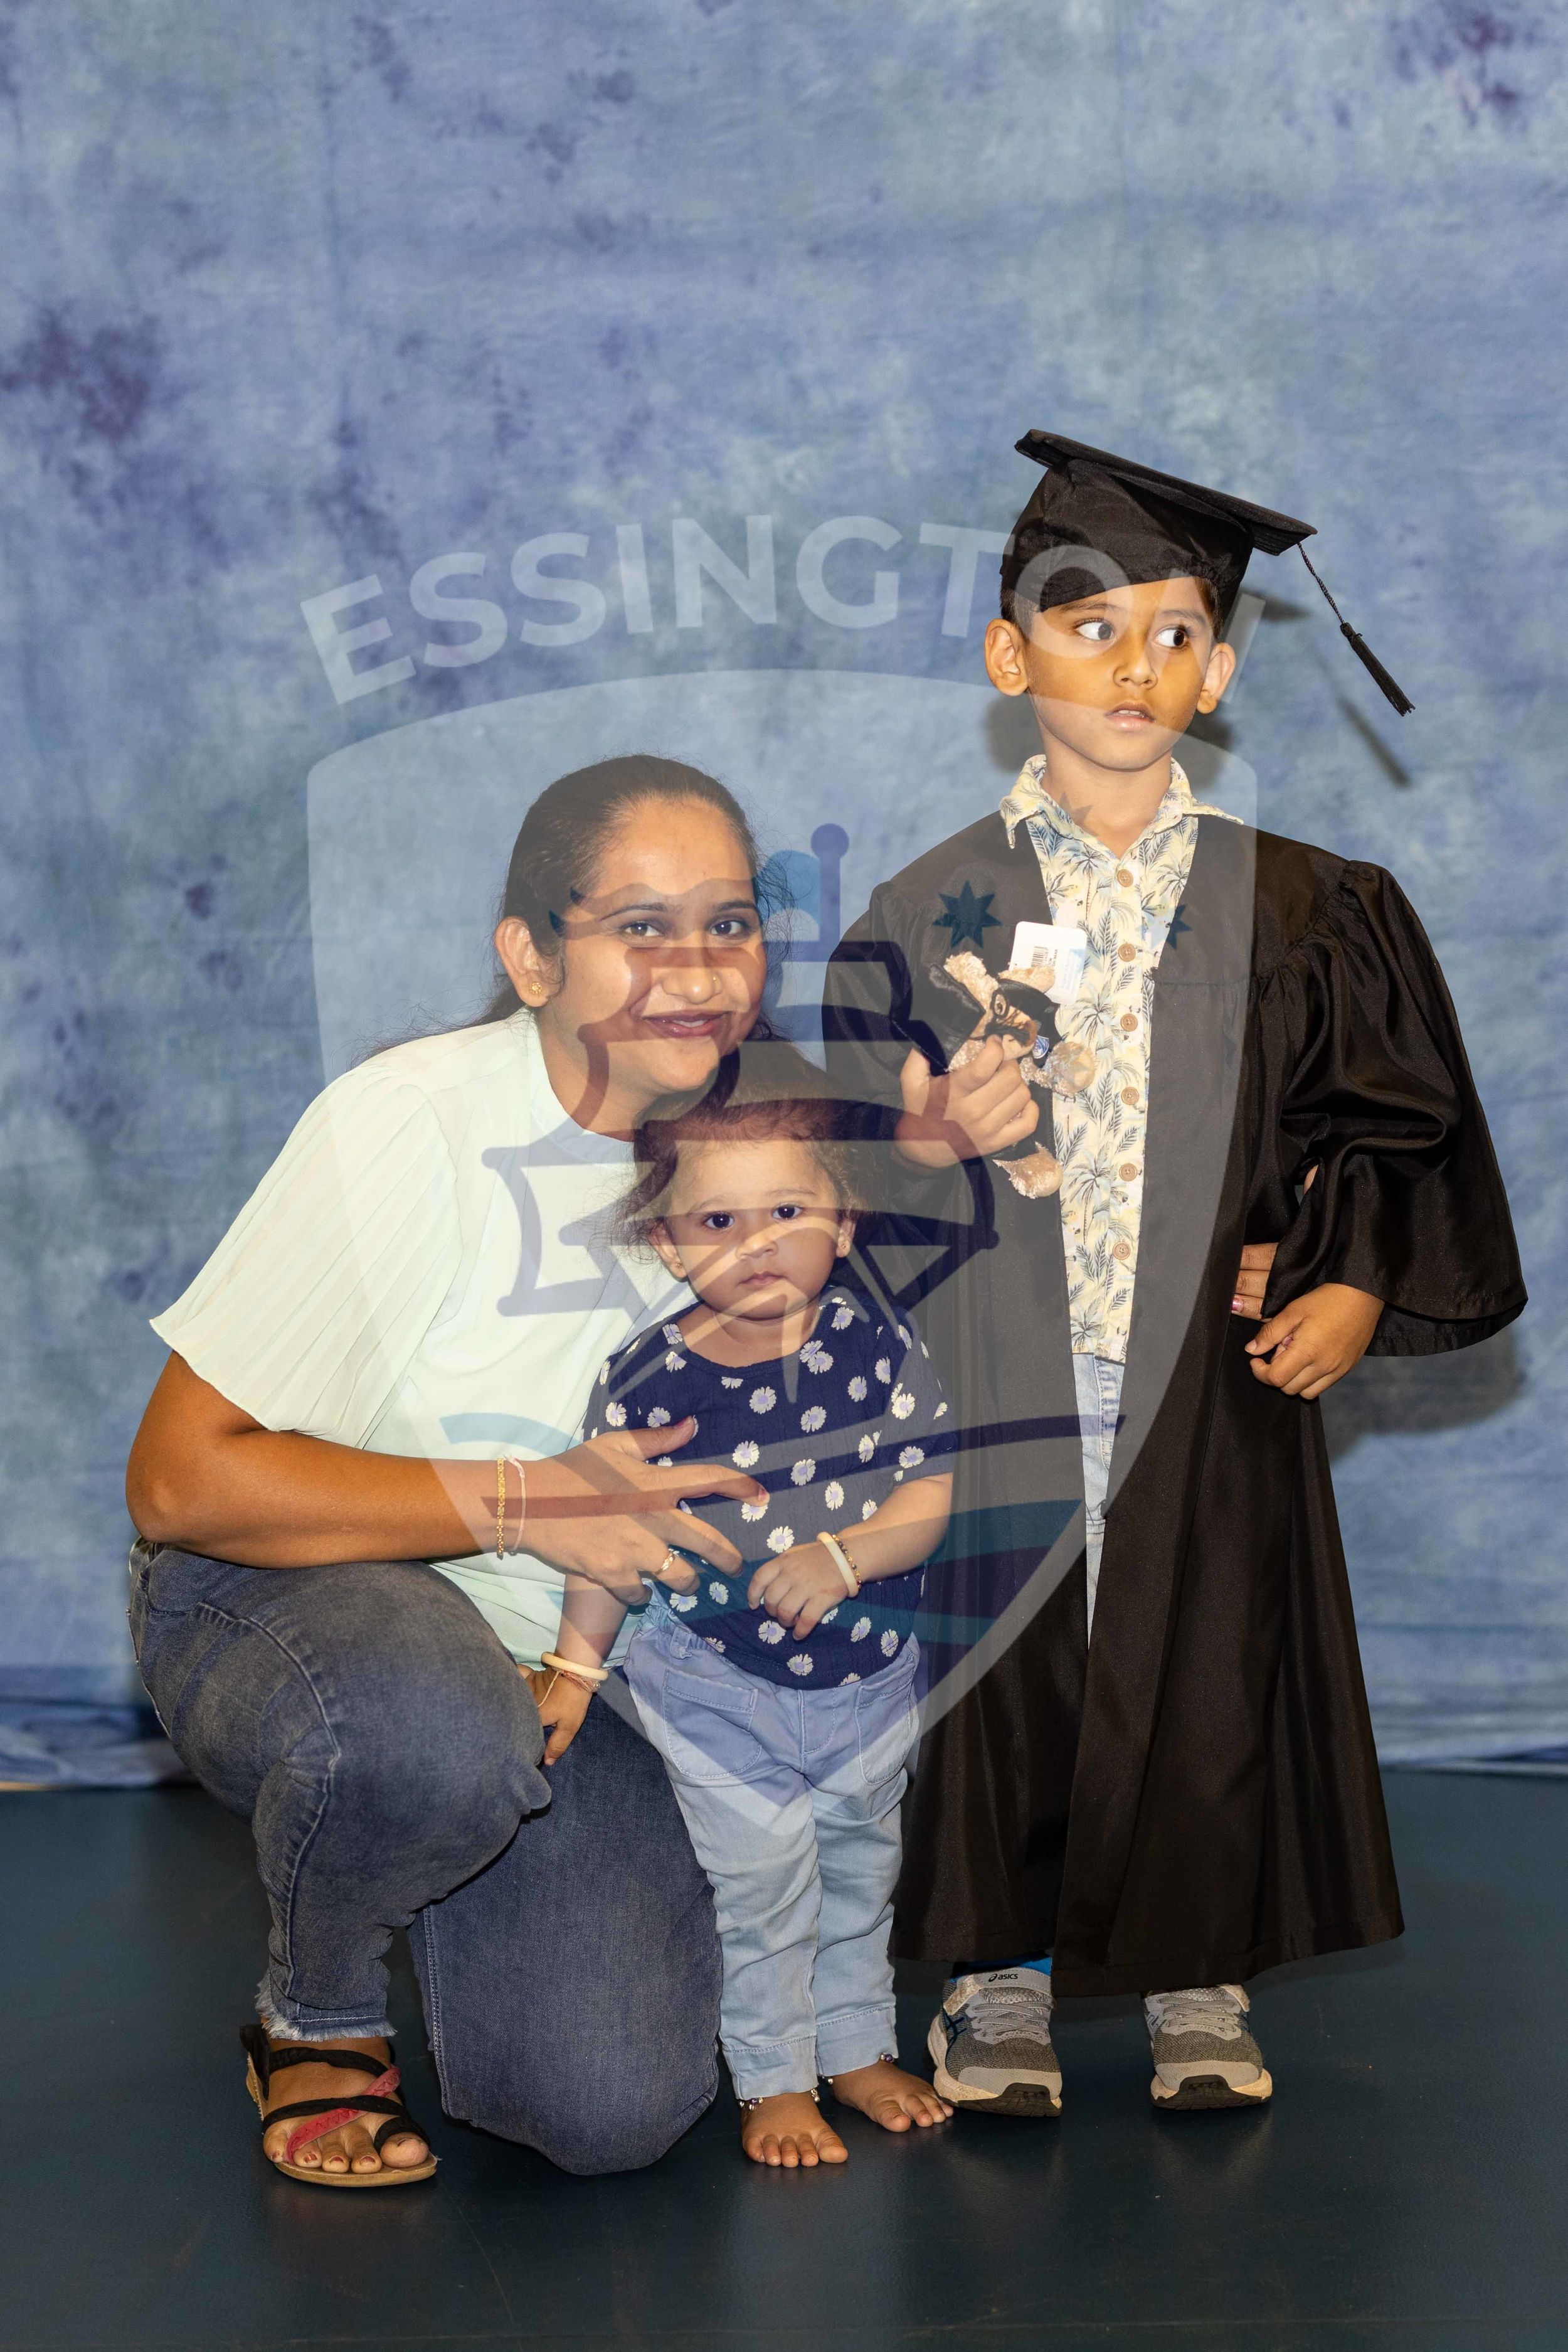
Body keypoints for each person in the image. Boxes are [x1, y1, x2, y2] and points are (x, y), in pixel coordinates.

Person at [823, 433, 1525, 2117]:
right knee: (1005, 1671)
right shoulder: (929, 910)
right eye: (1088, 627)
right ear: (1009, 658)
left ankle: (1194, 1972)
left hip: (1208, 1370)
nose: (1133, 665)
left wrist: (1348, 1273)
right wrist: (923, 1138)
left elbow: (1391, 1125)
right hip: (998, 1367)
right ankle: (995, 1979)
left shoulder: (1304, 905)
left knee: (1206, 1660)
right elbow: (836, 1156)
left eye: (1172, 634)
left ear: (1216, 673)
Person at [125, 754, 778, 2185]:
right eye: (641, 926)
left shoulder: (756, 1147)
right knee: (425, 1728)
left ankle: (435, 1834)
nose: (696, 969)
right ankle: (318, 2014)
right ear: (530, 959)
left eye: (729, 922)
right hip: (296, 1585)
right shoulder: (409, 1121)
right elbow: (178, 1482)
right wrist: (535, 1497)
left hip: (567, 1657)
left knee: (609, 2109)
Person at [544, 1054, 955, 2167]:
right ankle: (773, 2076)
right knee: (764, 1885)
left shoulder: (880, 1346)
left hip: (870, 1679)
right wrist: (575, 1667)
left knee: (861, 1871)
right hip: (717, 1682)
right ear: (669, 1243)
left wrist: (845, 1555)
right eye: (718, 1220)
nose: (758, 1242)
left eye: (788, 1211)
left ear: (845, 1222)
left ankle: (857, 2046)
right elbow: (609, 1542)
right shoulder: (647, 1379)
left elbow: (928, 1495)